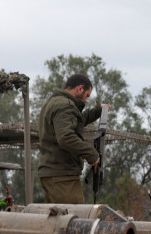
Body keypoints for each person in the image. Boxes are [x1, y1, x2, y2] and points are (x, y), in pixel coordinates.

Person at [37, 73, 110, 204]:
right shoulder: (65, 106)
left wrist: (97, 111)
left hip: (53, 174)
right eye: (87, 95)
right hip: (62, 177)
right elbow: (66, 137)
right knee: (77, 220)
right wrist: (92, 155)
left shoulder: (54, 102)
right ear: (80, 89)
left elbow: (76, 122)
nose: (86, 100)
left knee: (61, 220)